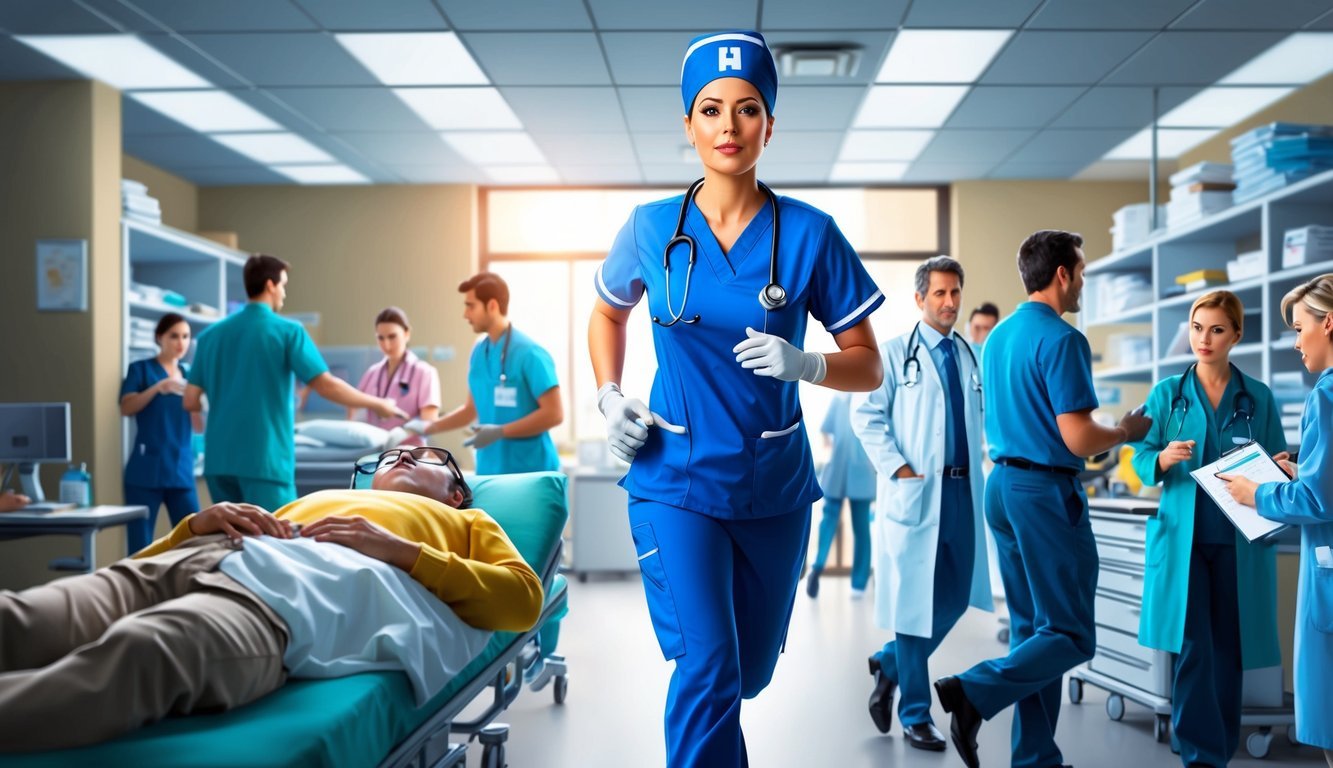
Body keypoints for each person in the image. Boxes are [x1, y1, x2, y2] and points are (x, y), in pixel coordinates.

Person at [588, 30, 884, 767]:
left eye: (747, 109)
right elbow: (607, 311)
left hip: (771, 485)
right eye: (711, 110)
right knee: (707, 668)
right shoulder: (651, 228)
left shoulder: (811, 235)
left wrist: (806, 362)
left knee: (748, 673)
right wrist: (606, 395)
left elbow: (867, 365)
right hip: (674, 477)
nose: (728, 127)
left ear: (769, 124)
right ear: (688, 123)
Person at [0, 444, 543, 753]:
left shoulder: (467, 521)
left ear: (454, 489)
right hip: (198, 553)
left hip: (277, 600)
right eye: (389, 455)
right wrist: (195, 525)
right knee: (21, 618)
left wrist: (402, 551)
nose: (399, 457)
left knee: (139, 651)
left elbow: (521, 601)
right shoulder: (325, 498)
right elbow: (140, 563)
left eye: (421, 455)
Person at [932, 230, 1151, 768]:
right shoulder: (1064, 339)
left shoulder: (1000, 337)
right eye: (1080, 271)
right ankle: (972, 691)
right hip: (1044, 494)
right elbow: (1078, 437)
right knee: (1072, 635)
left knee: (1034, 631)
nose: (1082, 283)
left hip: (1003, 488)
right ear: (1062, 274)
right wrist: (1124, 431)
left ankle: (1034, 758)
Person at [1129, 291, 1284, 767]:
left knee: (1228, 647)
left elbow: (1279, 459)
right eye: (1197, 327)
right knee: (1195, 645)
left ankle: (1218, 747)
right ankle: (1200, 754)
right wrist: (1159, 457)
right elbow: (1138, 457)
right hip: (1186, 541)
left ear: (1236, 335)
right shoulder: (1166, 394)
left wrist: (1279, 467)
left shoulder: (1257, 397)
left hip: (1238, 540)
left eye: (1216, 329)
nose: (1204, 338)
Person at [852, 256, 993, 751]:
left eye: (956, 292)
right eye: (940, 294)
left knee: (954, 598)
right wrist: (899, 468)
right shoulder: (892, 354)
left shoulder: (972, 357)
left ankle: (889, 664)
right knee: (914, 607)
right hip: (916, 492)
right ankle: (916, 713)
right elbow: (866, 415)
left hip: (960, 491)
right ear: (919, 299)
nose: (951, 302)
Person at [185, 254, 405, 511]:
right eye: (283, 286)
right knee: (275, 543)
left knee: (230, 541)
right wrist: (378, 404)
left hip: (219, 462)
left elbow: (190, 400)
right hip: (264, 461)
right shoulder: (288, 332)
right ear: (270, 285)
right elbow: (327, 386)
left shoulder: (210, 337)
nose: (284, 294)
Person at [1220, 273, 1333, 766]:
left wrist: (1257, 491)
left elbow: (1316, 500)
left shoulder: (1325, 397)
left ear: (1329, 323)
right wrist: (1301, 468)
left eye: (1299, 328)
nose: (1295, 343)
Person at [411, 273, 562, 475]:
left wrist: (500, 432)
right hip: (489, 469)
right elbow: (469, 411)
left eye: (470, 306)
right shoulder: (479, 352)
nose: (465, 314)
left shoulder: (530, 354)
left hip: (531, 471)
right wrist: (428, 427)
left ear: (492, 305)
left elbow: (554, 414)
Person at [119, 313, 204, 553]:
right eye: (174, 336)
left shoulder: (190, 375)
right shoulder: (141, 370)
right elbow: (126, 407)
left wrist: (199, 401)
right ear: (159, 338)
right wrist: (158, 388)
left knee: (195, 541)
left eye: (186, 337)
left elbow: (198, 425)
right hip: (146, 471)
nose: (181, 343)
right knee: (140, 545)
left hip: (181, 469)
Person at [805, 392, 874, 600]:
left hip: (862, 471)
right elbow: (825, 431)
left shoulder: (871, 397)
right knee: (828, 522)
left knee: (861, 526)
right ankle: (816, 568)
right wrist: (829, 448)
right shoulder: (838, 400)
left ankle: (859, 583)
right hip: (837, 469)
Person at [350, 307, 441, 447]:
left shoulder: (424, 372)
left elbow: (430, 420)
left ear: (407, 334)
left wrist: (405, 432)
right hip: (373, 449)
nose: (386, 344)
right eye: (381, 338)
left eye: (392, 337)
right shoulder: (372, 373)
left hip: (409, 452)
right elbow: (354, 409)